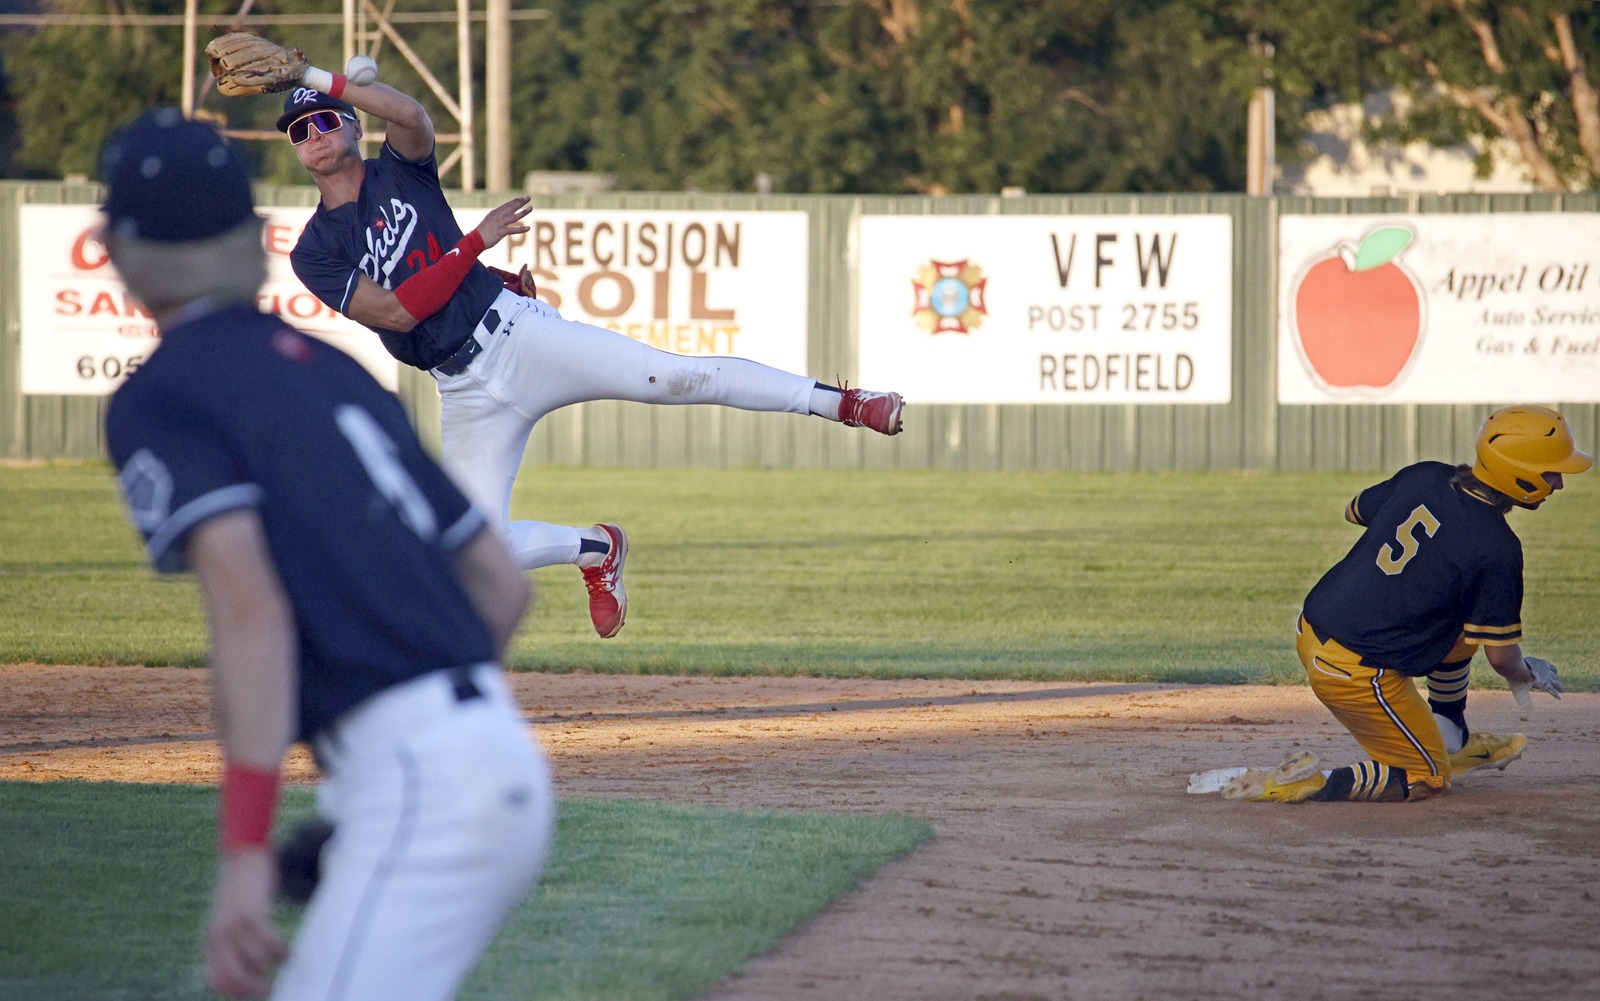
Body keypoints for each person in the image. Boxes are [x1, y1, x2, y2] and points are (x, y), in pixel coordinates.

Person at [99, 108, 554, 1000]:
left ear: (117, 247)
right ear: (247, 236)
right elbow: (499, 587)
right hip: (494, 759)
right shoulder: (332, 368)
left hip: (421, 782)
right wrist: (385, 783)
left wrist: (243, 859)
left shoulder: (162, 397)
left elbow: (252, 617)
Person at [276, 78, 907, 641]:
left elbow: (411, 114)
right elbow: (395, 314)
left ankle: (846, 403)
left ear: (355, 123)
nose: (313, 135)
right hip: (462, 390)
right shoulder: (313, 251)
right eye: (299, 129)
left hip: (518, 336)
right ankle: (596, 549)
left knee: (672, 376)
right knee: (474, 554)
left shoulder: (400, 173)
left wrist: (322, 79)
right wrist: (473, 246)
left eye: (326, 118)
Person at [1223, 405, 1591, 804]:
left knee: (1461, 627)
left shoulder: (1427, 474)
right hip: (1355, 673)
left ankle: (1449, 737)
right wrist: (1525, 672)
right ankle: (1309, 782)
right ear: (1519, 473)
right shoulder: (1497, 549)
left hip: (1312, 622)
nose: (1558, 483)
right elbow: (1502, 659)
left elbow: (1356, 510)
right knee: (1427, 779)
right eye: (1550, 472)